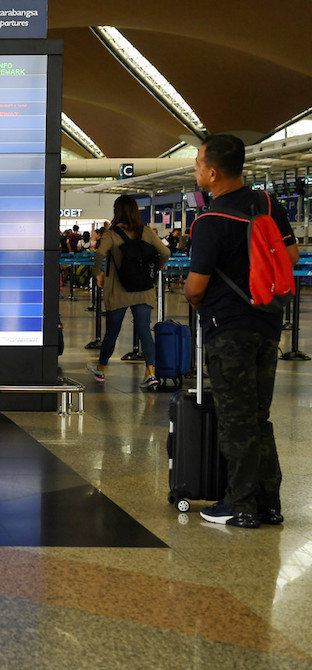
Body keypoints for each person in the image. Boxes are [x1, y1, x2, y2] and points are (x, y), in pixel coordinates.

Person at [185, 134, 299, 529]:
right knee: (258, 415)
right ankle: (270, 502)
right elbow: (291, 255)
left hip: (227, 328)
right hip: (267, 322)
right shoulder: (269, 204)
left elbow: (195, 287)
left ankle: (240, 503)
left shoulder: (210, 221)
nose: (196, 169)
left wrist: (200, 297)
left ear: (213, 173)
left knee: (235, 418)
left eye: (198, 163)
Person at [86, 194, 170, 389]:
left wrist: (97, 274)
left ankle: (101, 369)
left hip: (118, 290)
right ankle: (150, 373)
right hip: (143, 288)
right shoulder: (147, 232)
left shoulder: (111, 234)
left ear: (117, 212)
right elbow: (165, 253)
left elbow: (99, 254)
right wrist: (156, 267)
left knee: (112, 332)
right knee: (144, 330)